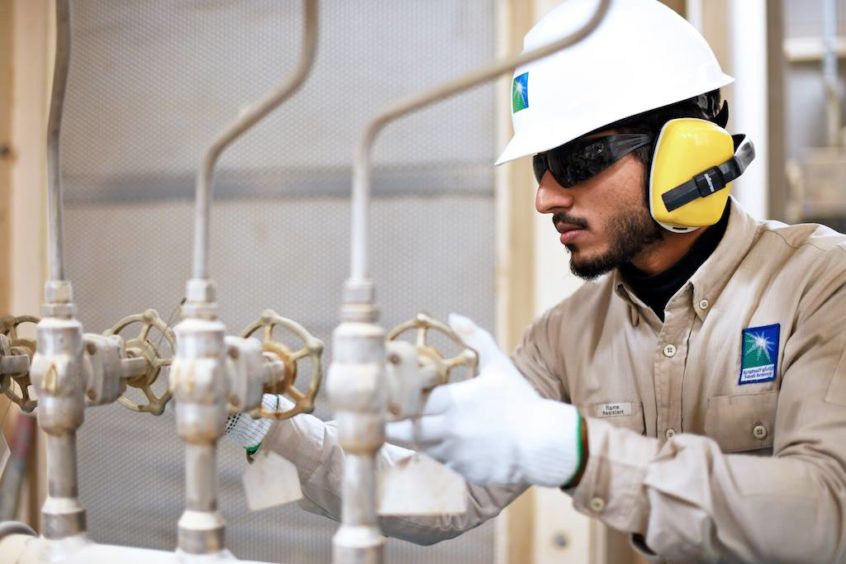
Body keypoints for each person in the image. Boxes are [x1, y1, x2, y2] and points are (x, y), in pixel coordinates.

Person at [227, 0, 846, 561]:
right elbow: (438, 495)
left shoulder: (821, 284)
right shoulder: (568, 334)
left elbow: (825, 514)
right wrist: (263, 423)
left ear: (687, 149)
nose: (546, 196)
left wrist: (576, 451)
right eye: (540, 166)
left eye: (577, 160)